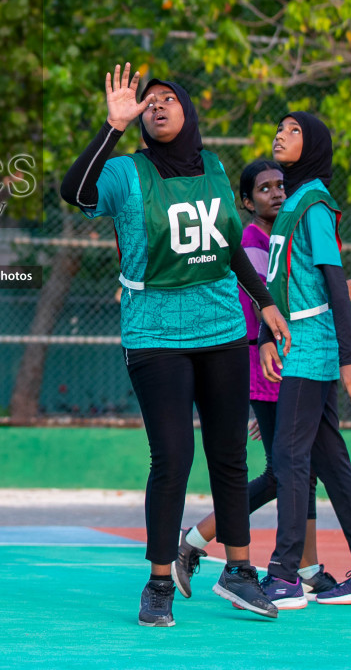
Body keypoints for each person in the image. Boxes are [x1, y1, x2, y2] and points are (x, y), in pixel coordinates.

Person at [59, 65, 286, 628]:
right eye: (148, 101)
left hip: (222, 333)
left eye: (168, 99)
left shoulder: (212, 166)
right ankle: (159, 580)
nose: (157, 105)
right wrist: (111, 127)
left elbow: (231, 246)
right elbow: (73, 191)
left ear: (188, 111)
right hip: (155, 334)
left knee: (230, 455)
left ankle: (238, 572)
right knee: (173, 459)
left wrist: (263, 300)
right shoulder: (126, 175)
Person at [173, 159, 351, 599]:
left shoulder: (286, 232)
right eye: (265, 189)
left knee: (302, 469)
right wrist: (338, 288)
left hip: (296, 359)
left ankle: (307, 567)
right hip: (271, 362)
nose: (277, 193)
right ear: (247, 202)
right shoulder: (254, 239)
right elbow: (277, 298)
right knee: (287, 473)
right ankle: (194, 540)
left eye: (281, 185)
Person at [257, 112, 351, 608]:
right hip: (297, 344)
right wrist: (264, 337)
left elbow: (333, 282)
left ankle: (284, 576)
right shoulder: (293, 202)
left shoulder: (314, 204)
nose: (281, 134)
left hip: (314, 347)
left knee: (290, 457)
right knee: (330, 462)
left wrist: (349, 356)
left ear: (313, 144)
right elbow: (279, 284)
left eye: (293, 130)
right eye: (280, 128)